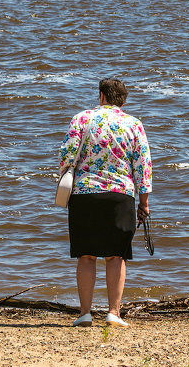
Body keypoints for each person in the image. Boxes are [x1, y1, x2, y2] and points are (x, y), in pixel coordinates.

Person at [59, 77, 152, 328]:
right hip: (120, 194)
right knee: (116, 256)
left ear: (101, 96)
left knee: (86, 255)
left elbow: (67, 156)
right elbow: (142, 167)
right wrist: (143, 204)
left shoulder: (81, 118)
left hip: (84, 193)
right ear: (123, 100)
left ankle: (85, 314)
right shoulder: (134, 124)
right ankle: (113, 313)